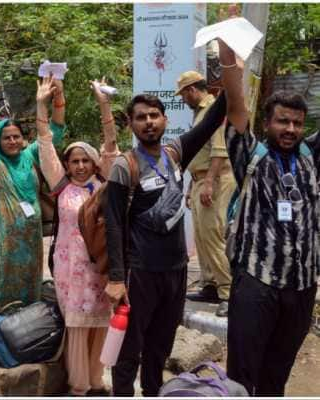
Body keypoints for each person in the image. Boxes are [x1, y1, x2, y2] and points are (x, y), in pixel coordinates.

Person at [102, 87, 227, 395]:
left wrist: (232, 72)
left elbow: (210, 122)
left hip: (176, 269)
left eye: (154, 116)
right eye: (141, 117)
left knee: (160, 347)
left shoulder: (174, 154)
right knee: (129, 351)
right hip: (139, 272)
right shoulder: (124, 166)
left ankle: (153, 393)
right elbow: (114, 224)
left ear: (165, 120)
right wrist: (117, 278)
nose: (149, 122)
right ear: (130, 124)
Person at [219, 39, 319, 396]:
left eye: (296, 123)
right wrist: (228, 54)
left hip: (303, 286)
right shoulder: (251, 157)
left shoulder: (310, 157)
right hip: (257, 282)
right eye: (282, 122)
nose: (290, 129)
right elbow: (235, 106)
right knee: (243, 377)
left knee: (277, 376)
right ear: (267, 122)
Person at [0, 63, 66, 327]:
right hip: (2, 240)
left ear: (23, 138)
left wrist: (58, 95)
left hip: (30, 240)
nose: (12, 141)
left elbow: (54, 132)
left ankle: (22, 340)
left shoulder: (31, 156)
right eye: (6, 137)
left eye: (16, 136)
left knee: (28, 293)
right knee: (0, 290)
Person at [38, 77, 119, 396]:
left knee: (99, 323)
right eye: (75, 161)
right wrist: (42, 104)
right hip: (69, 270)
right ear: (67, 165)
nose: (82, 166)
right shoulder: (60, 185)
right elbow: (45, 143)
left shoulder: (104, 185)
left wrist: (104, 106)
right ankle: (79, 384)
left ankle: (97, 380)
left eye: (86, 160)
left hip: (99, 268)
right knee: (76, 326)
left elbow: (111, 147)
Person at [176, 70, 235, 317]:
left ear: (192, 90)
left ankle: (228, 292)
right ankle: (210, 284)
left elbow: (219, 151)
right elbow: (201, 153)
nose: (182, 99)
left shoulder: (213, 110)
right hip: (202, 179)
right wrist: (192, 186)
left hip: (217, 178)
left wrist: (209, 182)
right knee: (201, 235)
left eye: (183, 94)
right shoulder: (200, 113)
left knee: (212, 234)